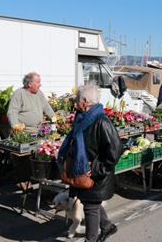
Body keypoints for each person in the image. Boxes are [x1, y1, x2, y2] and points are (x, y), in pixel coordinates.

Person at [59, 84, 122, 242]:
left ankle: (91, 239)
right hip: (83, 172)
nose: (75, 102)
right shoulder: (83, 118)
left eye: (77, 99)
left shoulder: (101, 121)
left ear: (85, 101)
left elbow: (115, 151)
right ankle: (107, 226)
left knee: (90, 207)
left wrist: (95, 169)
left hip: (96, 175)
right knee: (90, 202)